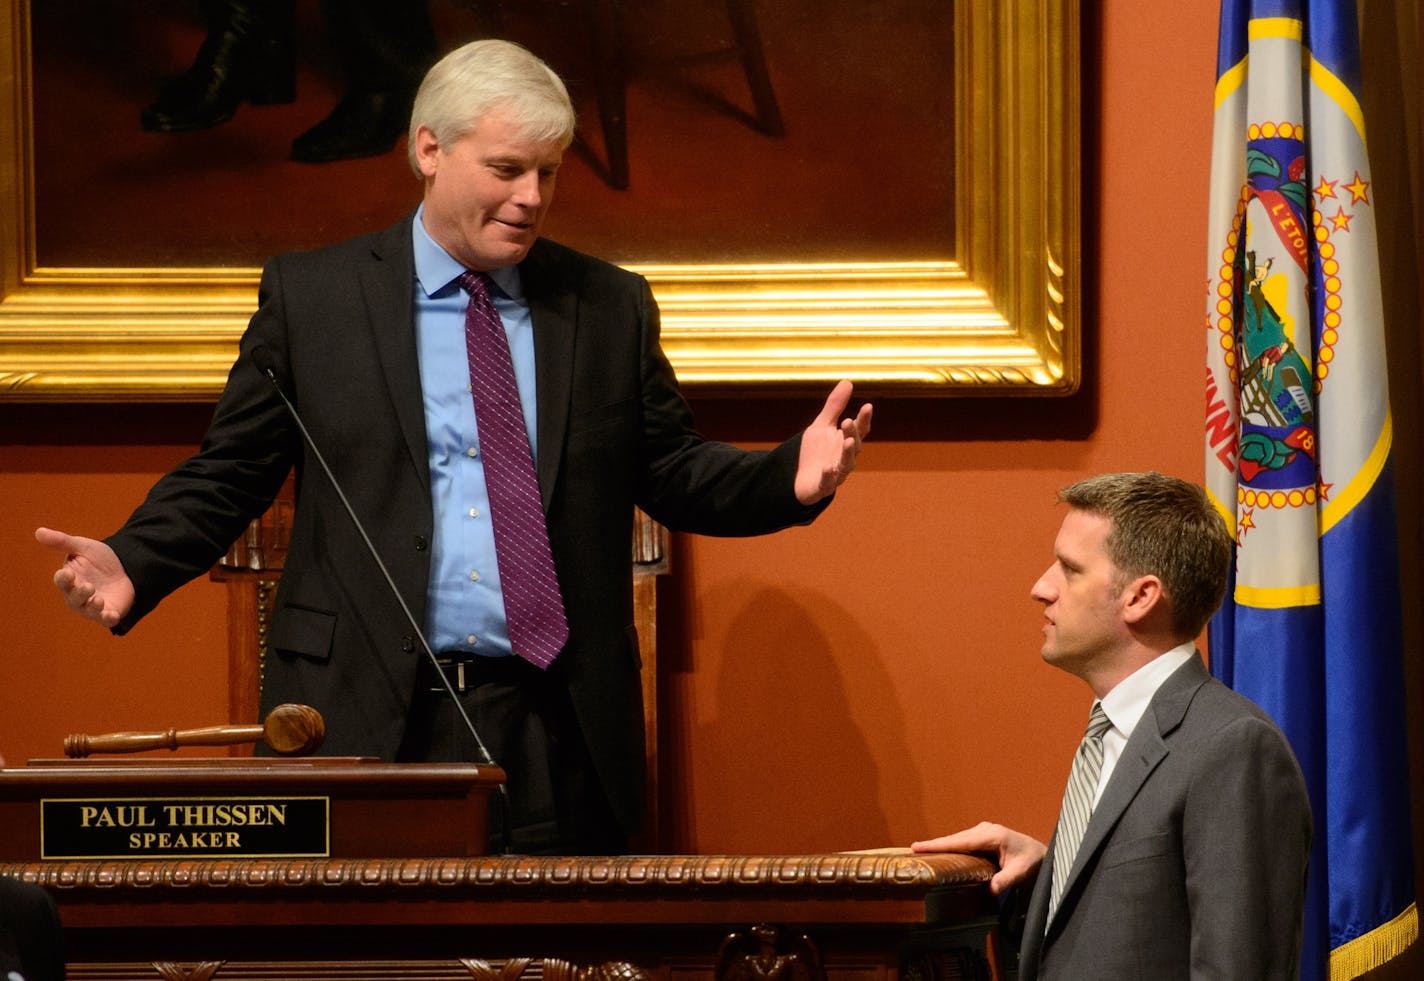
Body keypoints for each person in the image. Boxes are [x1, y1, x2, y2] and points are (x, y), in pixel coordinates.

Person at [37, 39, 871, 857]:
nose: (532, 198)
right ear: (427, 149)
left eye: (549, 172)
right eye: (507, 169)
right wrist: (135, 558)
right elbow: (230, 471)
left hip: (554, 722)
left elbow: (674, 470)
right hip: (358, 712)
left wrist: (787, 478)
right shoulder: (316, 297)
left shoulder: (607, 306)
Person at [912, 472, 1310, 979]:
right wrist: (1052, 874)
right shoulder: (1113, 733)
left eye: (1070, 569)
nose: (1041, 587)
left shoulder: (1233, 747)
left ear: (1140, 597)